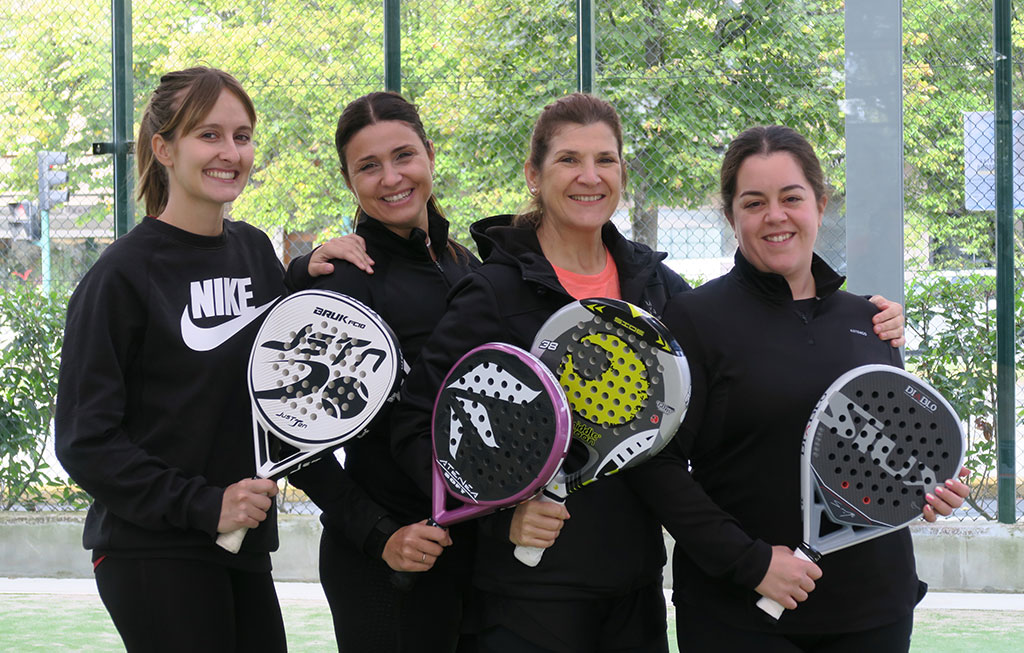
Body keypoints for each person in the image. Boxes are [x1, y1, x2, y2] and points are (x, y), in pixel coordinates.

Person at [389, 96, 908, 653]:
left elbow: (757, 331)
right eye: (569, 160)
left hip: (634, 590)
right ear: (534, 176)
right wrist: (500, 511)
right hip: (528, 599)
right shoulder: (492, 291)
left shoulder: (656, 288)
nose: (589, 177)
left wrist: (866, 320)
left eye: (605, 160)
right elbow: (422, 424)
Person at [625, 125, 970, 653]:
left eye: (791, 197)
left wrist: (926, 489)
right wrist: (753, 563)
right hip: (737, 618)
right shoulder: (693, 320)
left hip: (873, 610)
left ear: (820, 203)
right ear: (731, 216)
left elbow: (889, 454)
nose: (775, 216)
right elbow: (656, 464)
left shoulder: (871, 321)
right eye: (754, 202)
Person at [54, 67, 288, 652]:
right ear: (164, 148)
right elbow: (84, 440)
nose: (230, 152)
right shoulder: (120, 277)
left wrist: (312, 271)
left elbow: (282, 374)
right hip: (151, 551)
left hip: (243, 544)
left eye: (242, 135)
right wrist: (205, 506)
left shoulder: (257, 252)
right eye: (208, 135)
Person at [284, 91, 481, 653]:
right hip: (388, 563)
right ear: (349, 180)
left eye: (403, 156)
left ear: (430, 155)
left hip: (476, 546)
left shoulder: (466, 265)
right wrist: (380, 535)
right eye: (368, 166)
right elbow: (293, 442)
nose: (391, 178)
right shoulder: (340, 282)